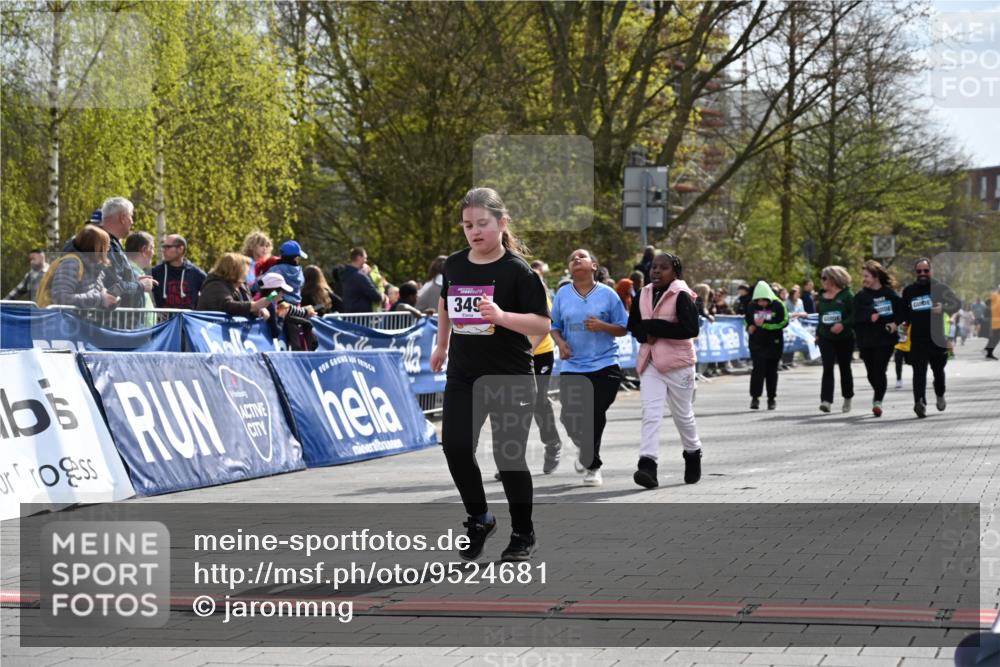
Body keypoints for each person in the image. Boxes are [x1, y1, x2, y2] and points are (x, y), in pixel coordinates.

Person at [429, 187, 550, 563]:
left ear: (501, 222)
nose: (474, 231)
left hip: (509, 376)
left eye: (482, 223)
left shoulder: (518, 271)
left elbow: (542, 323)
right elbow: (445, 303)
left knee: (508, 456)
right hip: (464, 375)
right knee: (456, 447)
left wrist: (501, 317)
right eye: (467, 225)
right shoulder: (454, 264)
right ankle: (480, 518)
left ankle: (522, 532)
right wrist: (442, 344)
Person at [550, 248, 629, 487]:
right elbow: (554, 325)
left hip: (605, 365)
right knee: (568, 417)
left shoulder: (608, 294)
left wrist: (603, 325)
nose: (576, 259)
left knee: (594, 414)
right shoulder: (563, 294)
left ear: (594, 266)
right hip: (573, 365)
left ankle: (593, 466)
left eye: (581, 256)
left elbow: (623, 328)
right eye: (572, 257)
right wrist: (561, 343)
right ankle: (586, 450)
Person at [627, 252, 702, 489]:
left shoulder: (682, 294)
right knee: (651, 414)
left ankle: (693, 454)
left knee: (683, 415)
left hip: (678, 364)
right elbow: (634, 325)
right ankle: (647, 465)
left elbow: (690, 329)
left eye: (664, 268)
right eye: (654, 267)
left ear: (675, 272)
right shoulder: (643, 293)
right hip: (650, 362)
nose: (657, 271)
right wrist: (643, 333)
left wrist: (655, 327)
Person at [65, 198, 156, 309]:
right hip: (104, 321)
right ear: (122, 218)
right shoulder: (103, 244)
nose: (132, 221)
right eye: (131, 216)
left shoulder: (102, 242)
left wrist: (133, 280)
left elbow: (112, 280)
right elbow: (113, 287)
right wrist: (140, 286)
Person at [899, 258, 961, 418]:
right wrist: (903, 325)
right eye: (919, 271)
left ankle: (940, 393)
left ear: (931, 271)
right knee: (918, 372)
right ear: (915, 273)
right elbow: (904, 312)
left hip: (937, 339)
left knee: (938, 372)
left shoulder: (940, 288)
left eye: (925, 271)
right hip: (918, 339)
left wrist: (944, 308)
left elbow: (957, 304)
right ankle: (920, 402)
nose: (922, 274)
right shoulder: (909, 291)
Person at [42, 225, 120, 321]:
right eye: (106, 247)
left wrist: (108, 299)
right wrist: (99, 299)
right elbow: (61, 298)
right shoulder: (71, 263)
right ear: (96, 248)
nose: (108, 250)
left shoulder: (95, 267)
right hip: (64, 327)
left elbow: (95, 294)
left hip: (81, 327)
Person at [854, 260, 901, 417]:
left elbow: (901, 311)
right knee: (871, 374)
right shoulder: (861, 296)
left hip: (885, 339)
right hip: (866, 340)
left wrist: (895, 323)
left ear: (875, 277)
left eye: (866, 276)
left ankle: (877, 401)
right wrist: (869, 316)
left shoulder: (889, 293)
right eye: (864, 276)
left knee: (880, 370)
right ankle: (879, 391)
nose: (864, 279)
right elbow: (854, 316)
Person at [816, 265, 855, 413]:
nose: (822, 281)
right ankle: (826, 401)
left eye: (824, 278)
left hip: (844, 337)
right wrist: (818, 333)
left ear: (833, 278)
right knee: (827, 367)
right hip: (826, 337)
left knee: (845, 368)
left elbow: (854, 315)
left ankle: (847, 397)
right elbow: (820, 317)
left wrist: (843, 325)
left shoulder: (847, 295)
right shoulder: (821, 297)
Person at [745, 281, 788, 409]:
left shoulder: (779, 305)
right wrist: (749, 327)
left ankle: (771, 399)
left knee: (771, 372)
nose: (762, 303)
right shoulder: (751, 306)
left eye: (765, 301)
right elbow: (746, 320)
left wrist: (765, 325)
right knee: (758, 370)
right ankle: (755, 398)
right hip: (757, 343)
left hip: (774, 343)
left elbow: (784, 322)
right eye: (759, 301)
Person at [197, 252, 273, 321]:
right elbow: (227, 306)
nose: (248, 272)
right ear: (235, 270)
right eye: (246, 269)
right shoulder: (214, 285)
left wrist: (257, 310)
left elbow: (246, 306)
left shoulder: (241, 285)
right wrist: (254, 306)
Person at [151, 234, 206, 310]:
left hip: (188, 321)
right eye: (163, 247)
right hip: (164, 322)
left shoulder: (196, 274)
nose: (163, 250)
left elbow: (211, 294)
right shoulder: (155, 272)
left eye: (167, 247)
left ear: (180, 249)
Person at [124, 232, 156, 326]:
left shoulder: (136, 272)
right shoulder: (130, 274)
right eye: (153, 248)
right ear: (144, 250)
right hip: (137, 335)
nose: (154, 253)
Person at [339, 247, 385, 313]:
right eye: (365, 258)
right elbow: (376, 296)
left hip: (349, 313)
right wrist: (383, 296)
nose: (366, 261)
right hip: (361, 316)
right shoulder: (360, 276)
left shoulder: (345, 274)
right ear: (359, 257)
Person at [984, 286, 1000, 360]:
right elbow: (987, 302)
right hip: (996, 322)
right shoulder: (995, 295)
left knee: (995, 338)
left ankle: (989, 351)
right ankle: (989, 352)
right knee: (995, 338)